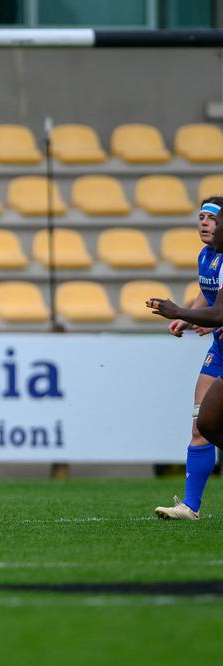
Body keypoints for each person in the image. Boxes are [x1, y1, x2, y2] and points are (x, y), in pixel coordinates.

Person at [148, 197, 223, 520]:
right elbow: (208, 298)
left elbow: (219, 311)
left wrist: (179, 311)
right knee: (200, 426)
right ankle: (190, 507)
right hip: (219, 350)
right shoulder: (207, 257)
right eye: (201, 216)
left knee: (207, 422)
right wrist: (189, 318)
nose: (203, 222)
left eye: (211, 218)